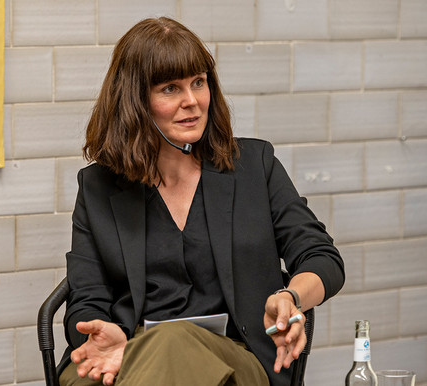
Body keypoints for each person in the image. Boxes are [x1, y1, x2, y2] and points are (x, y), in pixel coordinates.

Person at [59, 16, 344, 386]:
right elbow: (86, 299)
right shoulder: (98, 186)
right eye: (170, 89)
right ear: (135, 101)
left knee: (173, 340)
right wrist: (96, 336)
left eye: (198, 82)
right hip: (126, 354)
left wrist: (290, 297)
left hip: (235, 359)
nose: (191, 101)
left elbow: (323, 258)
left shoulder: (254, 167)